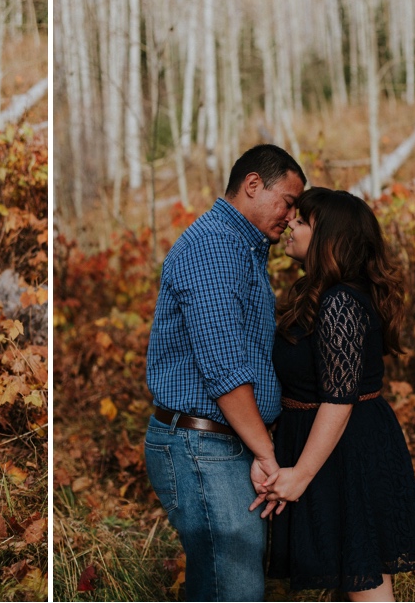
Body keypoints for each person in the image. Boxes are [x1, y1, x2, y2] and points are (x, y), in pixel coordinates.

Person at [252, 187, 415, 600]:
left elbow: (339, 399)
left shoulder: (340, 303)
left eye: (302, 221)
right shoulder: (318, 295)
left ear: (329, 238)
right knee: (352, 582)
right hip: (329, 446)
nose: (290, 226)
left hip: (347, 451)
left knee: (365, 584)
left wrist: (300, 475)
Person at [144, 144, 306, 601]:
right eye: (287, 202)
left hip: (221, 441)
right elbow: (224, 371)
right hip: (202, 444)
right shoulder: (215, 248)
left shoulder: (243, 247)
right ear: (253, 185)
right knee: (233, 587)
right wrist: (267, 453)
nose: (291, 217)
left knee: (225, 580)